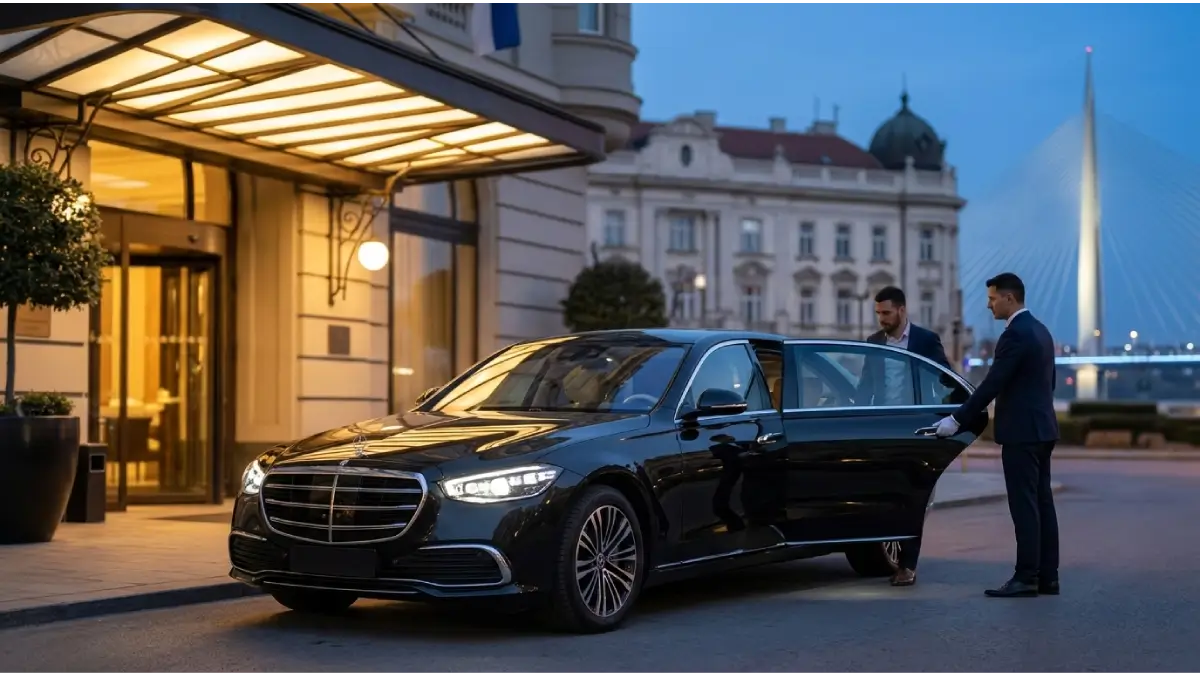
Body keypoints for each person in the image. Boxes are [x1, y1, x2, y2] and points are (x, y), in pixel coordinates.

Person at [934, 272, 1060, 598]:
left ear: (1009, 298)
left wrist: (957, 419)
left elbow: (993, 383)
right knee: (1042, 503)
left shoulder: (1015, 335)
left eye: (992, 299)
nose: (988, 305)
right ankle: (1048, 577)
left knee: (1024, 506)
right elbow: (1049, 383)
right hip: (1043, 429)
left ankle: (1026, 576)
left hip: (1021, 433)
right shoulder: (1041, 331)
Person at [855, 285, 951, 587]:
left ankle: (908, 564)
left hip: (916, 429)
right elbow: (865, 387)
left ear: (901, 310)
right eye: (878, 313)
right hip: (885, 429)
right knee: (885, 494)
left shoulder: (925, 341)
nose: (881, 319)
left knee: (912, 497)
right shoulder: (874, 342)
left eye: (886, 313)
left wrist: (945, 416)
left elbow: (945, 378)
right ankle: (886, 553)